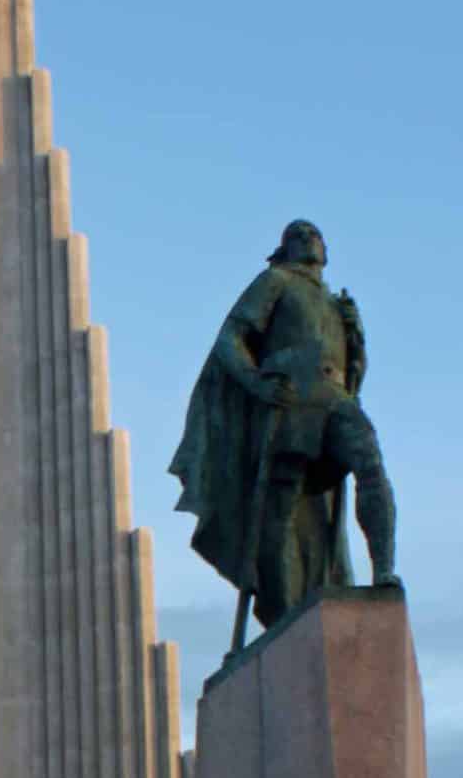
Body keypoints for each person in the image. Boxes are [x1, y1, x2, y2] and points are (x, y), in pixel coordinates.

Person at [170, 219, 397, 632]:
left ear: (326, 251)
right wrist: (255, 382)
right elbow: (229, 340)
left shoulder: (334, 303)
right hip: (291, 400)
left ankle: (383, 571)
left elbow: (353, 374)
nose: (308, 238)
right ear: (284, 249)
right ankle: (284, 610)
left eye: (314, 234)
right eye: (298, 235)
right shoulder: (275, 281)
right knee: (282, 508)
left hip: (334, 397)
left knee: (370, 464)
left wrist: (355, 335)